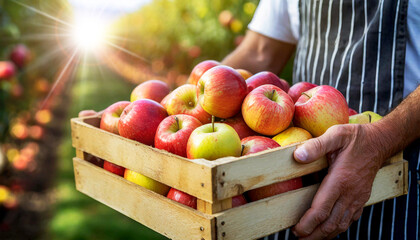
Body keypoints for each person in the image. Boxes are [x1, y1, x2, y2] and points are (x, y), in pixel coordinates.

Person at [221, 0, 420, 239]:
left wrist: (382, 140)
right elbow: (260, 51)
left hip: (400, 181)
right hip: (297, 189)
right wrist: (195, 107)